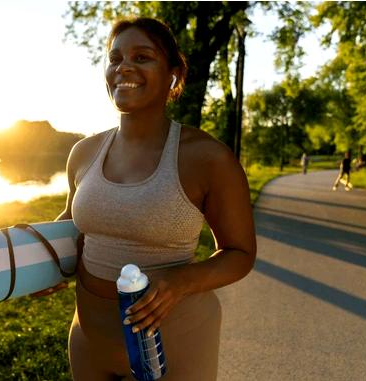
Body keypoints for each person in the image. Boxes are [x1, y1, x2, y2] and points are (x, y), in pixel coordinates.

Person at [49, 17, 256, 380]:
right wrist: (32, 254)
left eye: (142, 57)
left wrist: (181, 281)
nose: (123, 67)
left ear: (173, 74)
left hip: (177, 344)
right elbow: (70, 224)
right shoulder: (83, 153)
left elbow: (240, 254)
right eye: (115, 59)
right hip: (90, 341)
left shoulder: (208, 157)